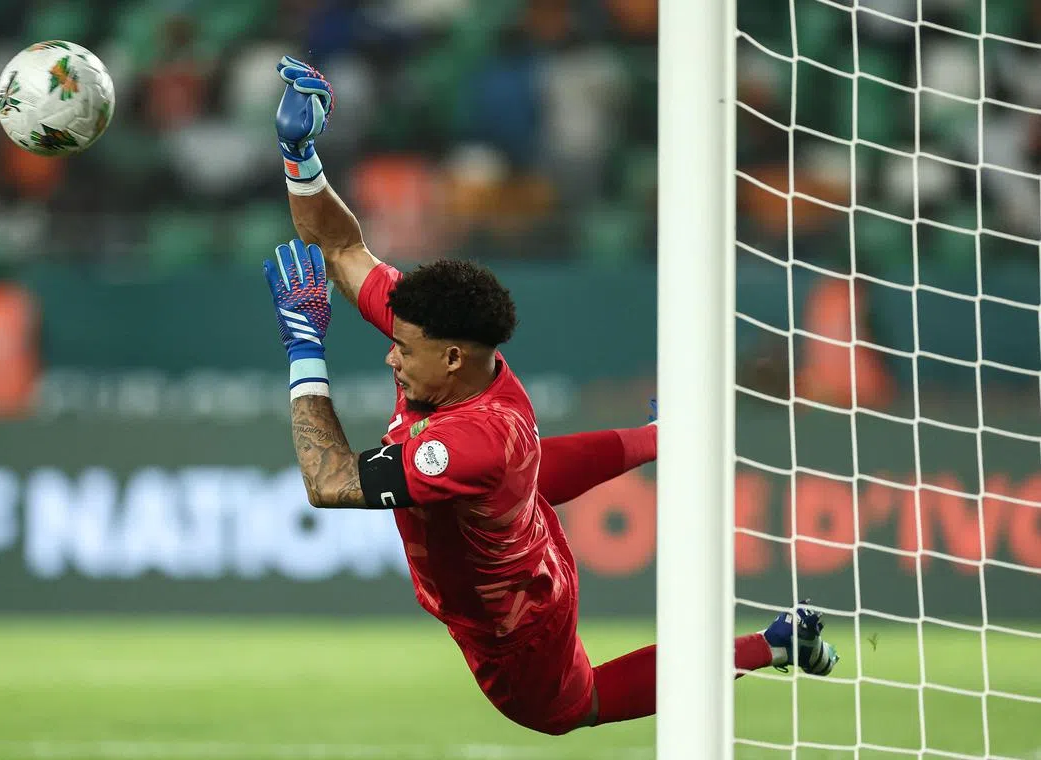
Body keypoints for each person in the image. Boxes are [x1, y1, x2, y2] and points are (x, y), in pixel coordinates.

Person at [262, 56, 838, 735]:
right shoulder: (450, 354)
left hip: (517, 623)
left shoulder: (471, 438)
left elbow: (329, 481)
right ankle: (678, 471)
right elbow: (342, 247)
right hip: (521, 530)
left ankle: (773, 646)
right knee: (517, 485)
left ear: (451, 357)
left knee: (571, 709)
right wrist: (301, 157)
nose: (391, 351)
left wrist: (305, 348)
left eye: (403, 348)